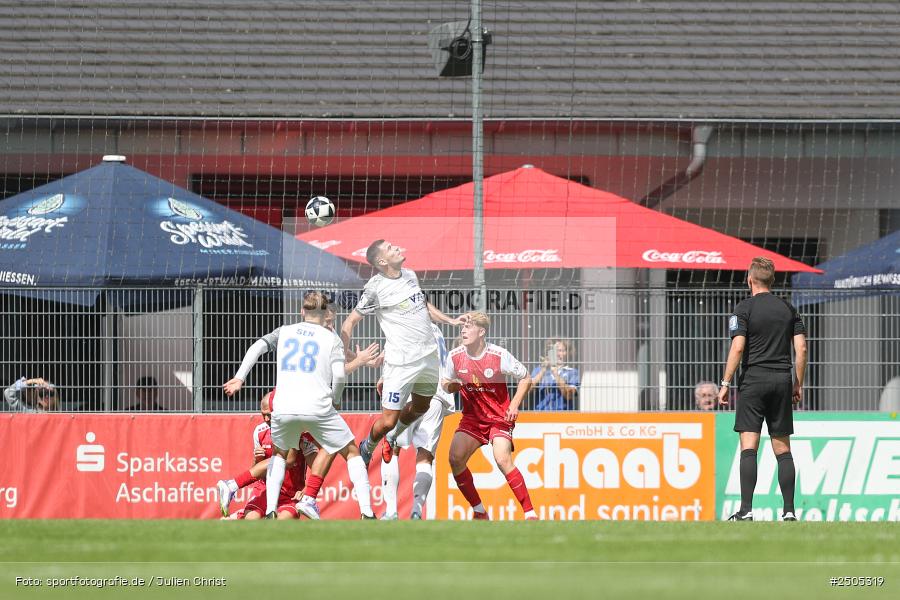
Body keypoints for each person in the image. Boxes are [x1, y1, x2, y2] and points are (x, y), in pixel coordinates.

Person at [222, 291, 375, 519]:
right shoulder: (330, 338)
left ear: (302, 311)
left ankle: (272, 510)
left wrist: (240, 377)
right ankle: (367, 513)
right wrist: (336, 397)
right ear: (325, 315)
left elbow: (257, 347)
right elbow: (340, 376)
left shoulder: (285, 332)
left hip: (283, 407)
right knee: (351, 452)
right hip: (317, 406)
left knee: (279, 455)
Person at [340, 239, 460, 467]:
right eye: (390, 248)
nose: (396, 247)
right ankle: (369, 444)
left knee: (421, 407)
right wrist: (348, 355)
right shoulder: (375, 288)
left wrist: (450, 320)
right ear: (383, 261)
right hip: (401, 364)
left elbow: (423, 305)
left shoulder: (410, 275)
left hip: (428, 358)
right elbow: (350, 322)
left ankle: (394, 437)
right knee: (387, 421)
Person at [717, 257, 807, 522]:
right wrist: (797, 383)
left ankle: (746, 510)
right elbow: (801, 349)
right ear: (772, 280)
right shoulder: (789, 309)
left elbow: (738, 347)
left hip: (753, 381)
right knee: (783, 448)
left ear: (750, 280)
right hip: (781, 381)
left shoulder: (743, 308)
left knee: (749, 447)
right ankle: (789, 511)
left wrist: (725, 383)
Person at [442, 312, 537, 520]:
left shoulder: (498, 355)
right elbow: (445, 383)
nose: (464, 330)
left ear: (481, 331)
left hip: (498, 418)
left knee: (502, 458)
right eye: (463, 326)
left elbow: (526, 377)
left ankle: (530, 513)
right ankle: (479, 511)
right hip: (472, 419)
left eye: (469, 326)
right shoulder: (454, 356)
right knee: (454, 458)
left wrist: (514, 404)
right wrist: (451, 386)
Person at [379, 323, 455, 520]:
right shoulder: (436, 330)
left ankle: (391, 512)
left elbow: (397, 358)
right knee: (425, 457)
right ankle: (416, 510)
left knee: (391, 446)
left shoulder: (401, 326)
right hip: (436, 395)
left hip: (409, 393)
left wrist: (383, 379)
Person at [216, 391, 319, 518]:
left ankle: (232, 488)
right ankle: (238, 504)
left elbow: (316, 467)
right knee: (252, 519)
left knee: (283, 521)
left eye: (269, 415)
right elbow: (256, 470)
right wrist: (257, 459)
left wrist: (308, 491)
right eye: (263, 415)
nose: (266, 419)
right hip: (264, 489)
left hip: (290, 493)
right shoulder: (260, 432)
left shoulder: (301, 432)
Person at [530, 339, 580, 410]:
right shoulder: (539, 370)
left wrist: (556, 374)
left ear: (568, 353)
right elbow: (528, 390)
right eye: (554, 351)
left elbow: (569, 395)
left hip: (563, 416)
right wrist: (543, 371)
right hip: (540, 414)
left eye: (561, 351)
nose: (557, 354)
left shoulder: (573, 372)